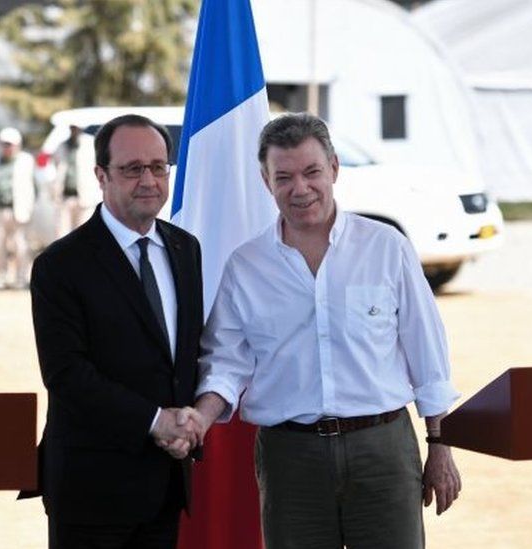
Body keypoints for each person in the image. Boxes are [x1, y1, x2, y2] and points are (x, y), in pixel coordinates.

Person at [179, 113, 462, 548]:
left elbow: (428, 354)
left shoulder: (386, 247)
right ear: (264, 180)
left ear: (334, 167)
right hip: (290, 459)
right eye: (284, 177)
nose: (300, 188)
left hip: (382, 450)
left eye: (312, 172)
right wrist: (201, 416)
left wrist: (440, 446)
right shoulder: (246, 266)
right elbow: (226, 365)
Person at [27, 114, 204, 548]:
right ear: (101, 175)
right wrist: (155, 421)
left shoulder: (185, 249)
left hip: (165, 484)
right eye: (132, 168)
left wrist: (188, 422)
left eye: (158, 166)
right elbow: (67, 374)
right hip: (92, 491)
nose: (148, 179)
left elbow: (184, 357)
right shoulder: (60, 266)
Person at [0, 127, 35, 289]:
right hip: (0, 209)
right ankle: (0, 277)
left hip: (18, 210)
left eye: (10, 144)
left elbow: (34, 186)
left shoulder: (26, 160)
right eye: (4, 144)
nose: (7, 148)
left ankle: (21, 278)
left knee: (20, 245)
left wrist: (29, 207)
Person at [52, 125, 95, 236]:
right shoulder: (62, 146)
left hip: (85, 198)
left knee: (84, 236)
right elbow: (57, 169)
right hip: (65, 197)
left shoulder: (91, 144)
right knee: (62, 235)